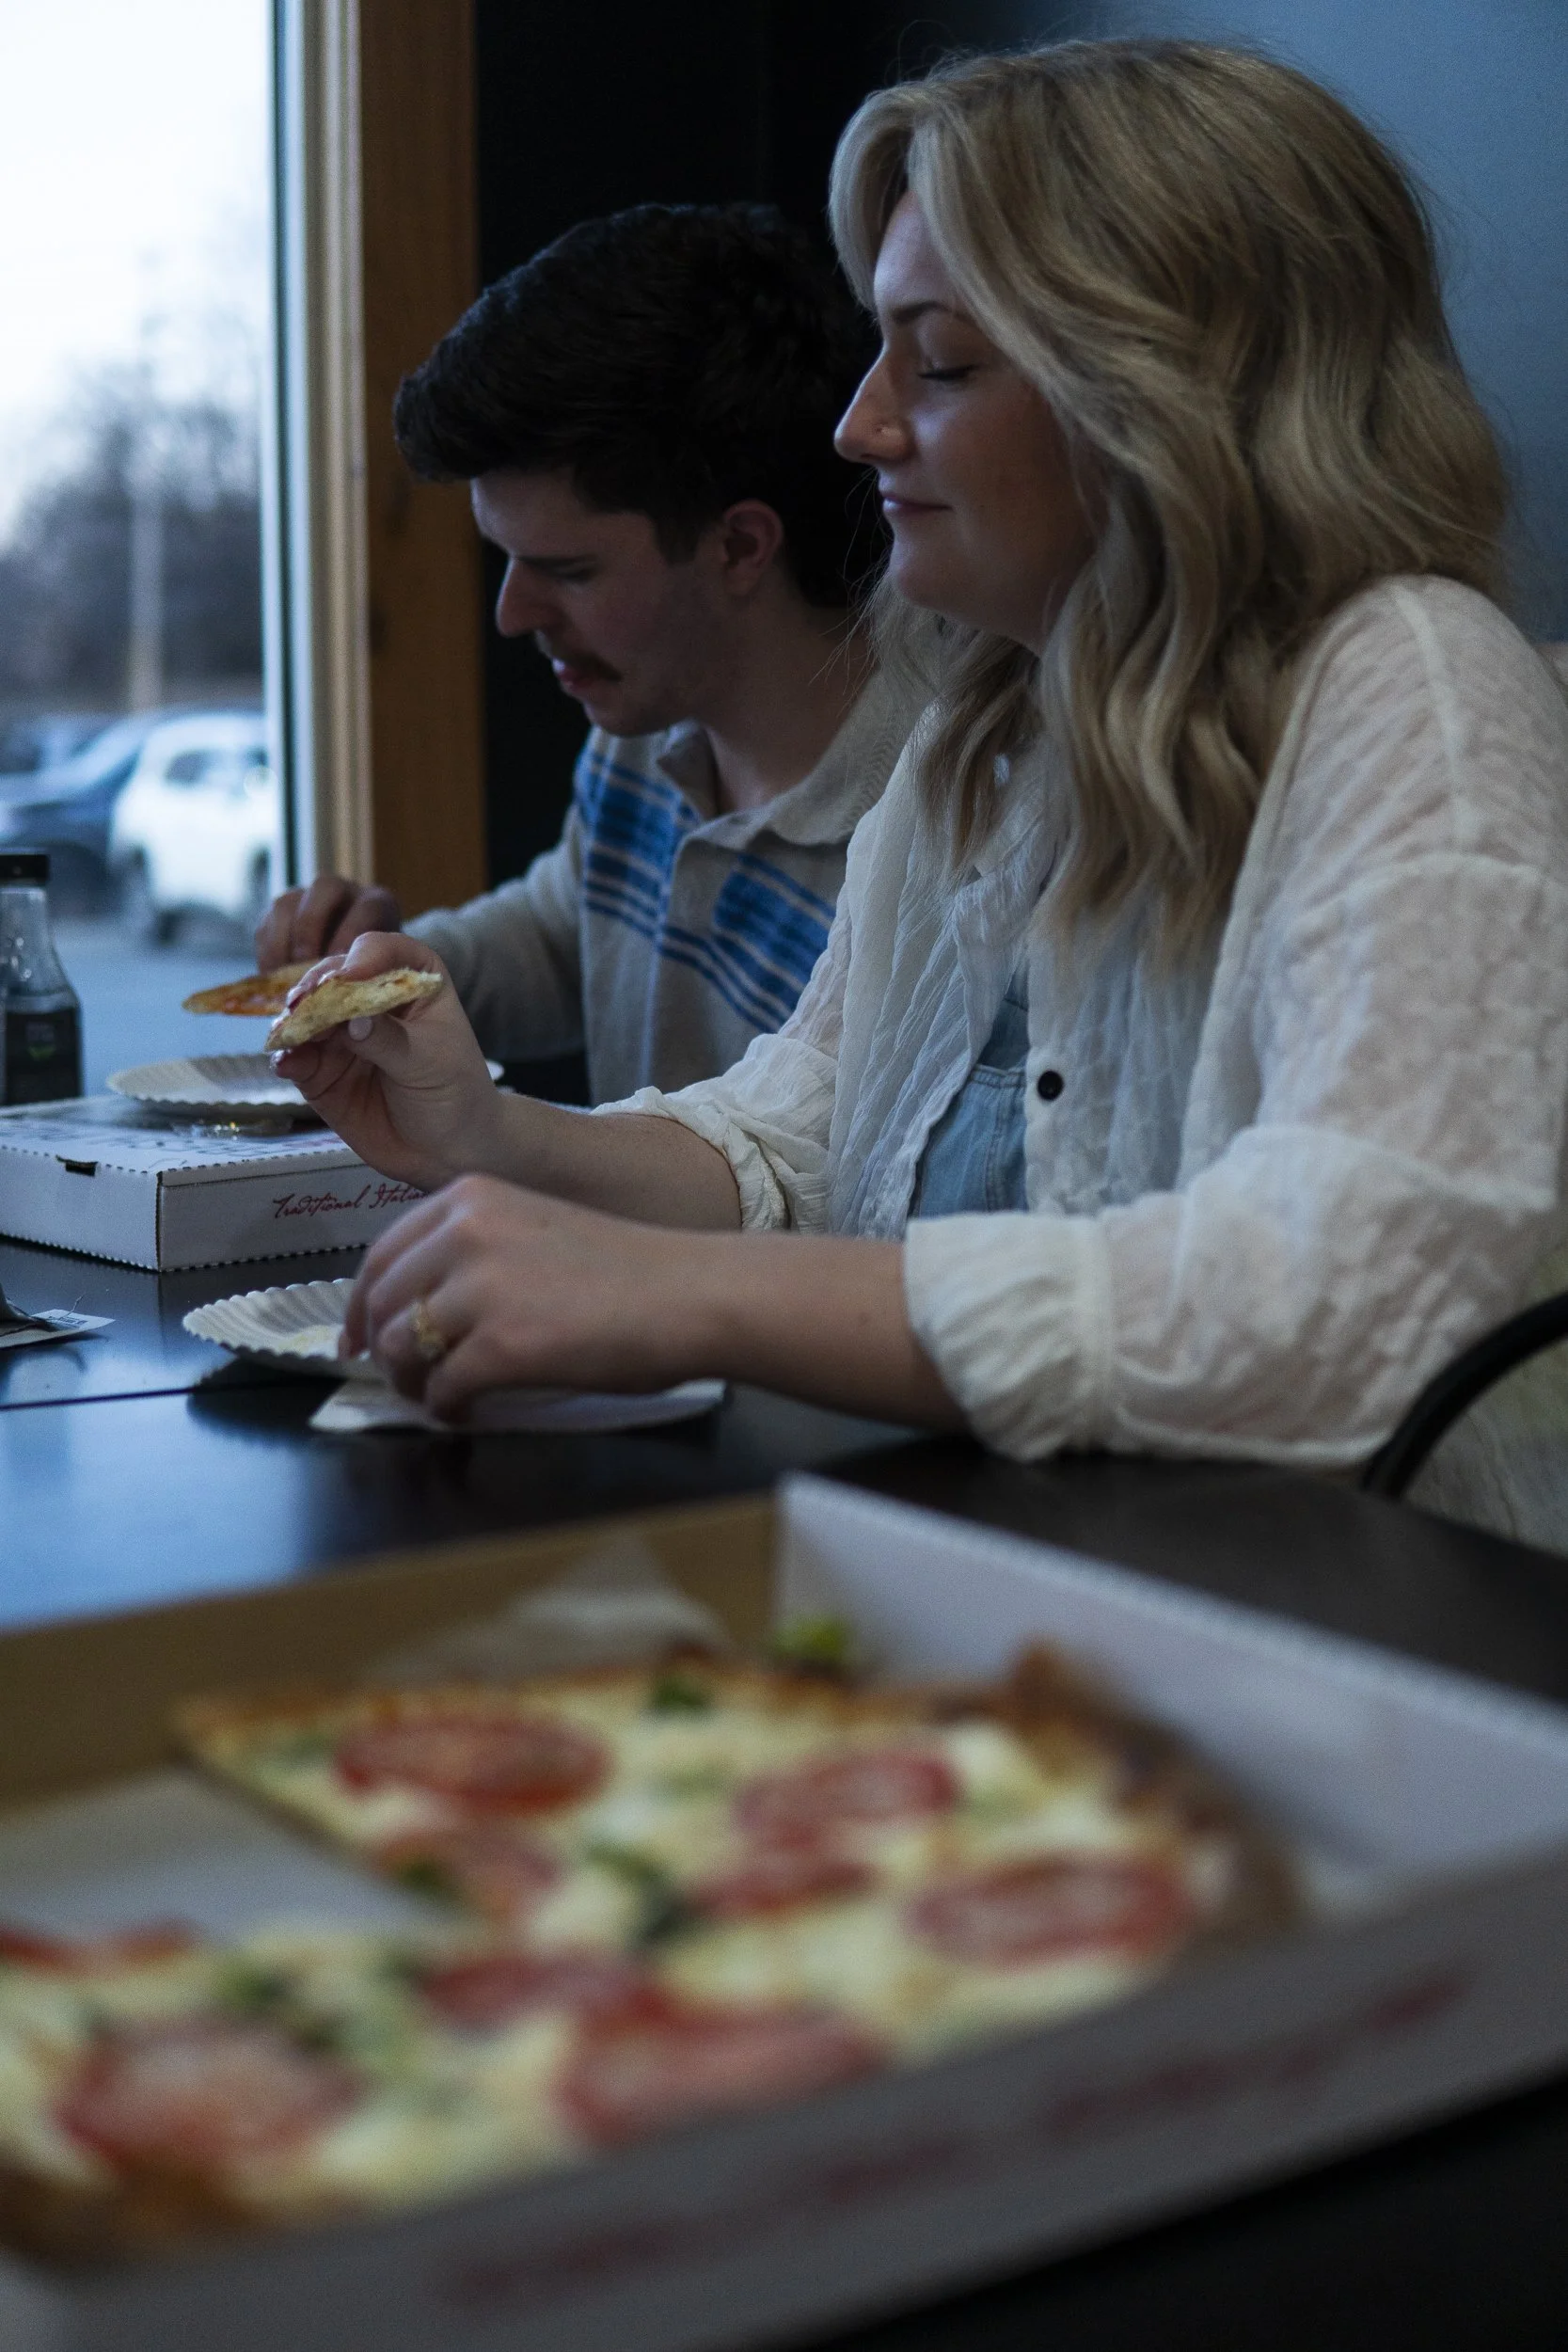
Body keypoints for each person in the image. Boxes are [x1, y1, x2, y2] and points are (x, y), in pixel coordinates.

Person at [274, 40, 1568, 1526]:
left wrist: (688, 1296)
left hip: (1384, 1660)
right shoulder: (991, 742)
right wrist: (484, 1136)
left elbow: (1340, 1294)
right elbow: (800, 1135)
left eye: (938, 364)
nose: (858, 425)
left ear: (1157, 389)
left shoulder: (1416, 687)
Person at [258, 202, 918, 1099]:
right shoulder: (651, 712)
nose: (512, 614)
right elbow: (567, 932)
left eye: (565, 570)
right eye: (506, 560)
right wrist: (383, 970)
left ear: (739, 547)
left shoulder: (936, 812)